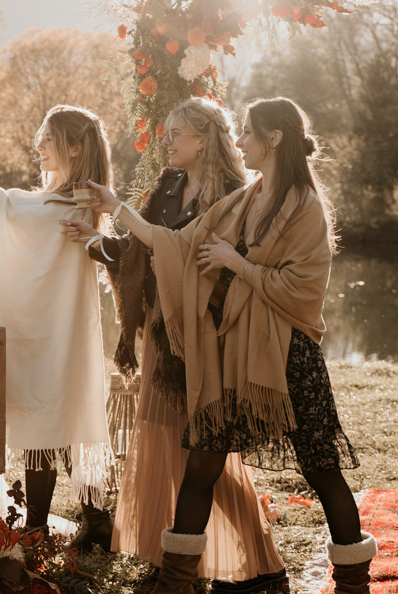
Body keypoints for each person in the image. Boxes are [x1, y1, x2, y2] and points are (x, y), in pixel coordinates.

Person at [84, 97, 374, 594]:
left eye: (247, 131)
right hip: (231, 354)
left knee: (321, 469)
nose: (238, 140)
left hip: (287, 359)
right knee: (201, 463)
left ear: (274, 138)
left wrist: (235, 264)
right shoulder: (245, 198)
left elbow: (302, 291)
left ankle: (353, 585)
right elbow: (177, 243)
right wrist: (118, 210)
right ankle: (175, 584)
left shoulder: (306, 205)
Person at [63, 98, 288, 589]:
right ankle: (178, 563)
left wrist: (115, 207)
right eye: (165, 133)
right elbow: (143, 250)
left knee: (203, 454)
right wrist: (95, 242)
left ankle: (258, 562)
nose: (166, 141)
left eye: (175, 134)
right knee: (169, 445)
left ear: (203, 139)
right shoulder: (167, 186)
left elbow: (193, 260)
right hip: (161, 336)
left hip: (205, 336)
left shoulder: (234, 193)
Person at [0, 105, 114, 543]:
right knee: (51, 421)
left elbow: (4, 206)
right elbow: (11, 207)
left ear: (75, 148)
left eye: (48, 138)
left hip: (58, 328)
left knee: (60, 419)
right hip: (47, 326)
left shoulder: (72, 203)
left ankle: (84, 521)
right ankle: (56, 522)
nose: (38, 145)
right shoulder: (64, 199)